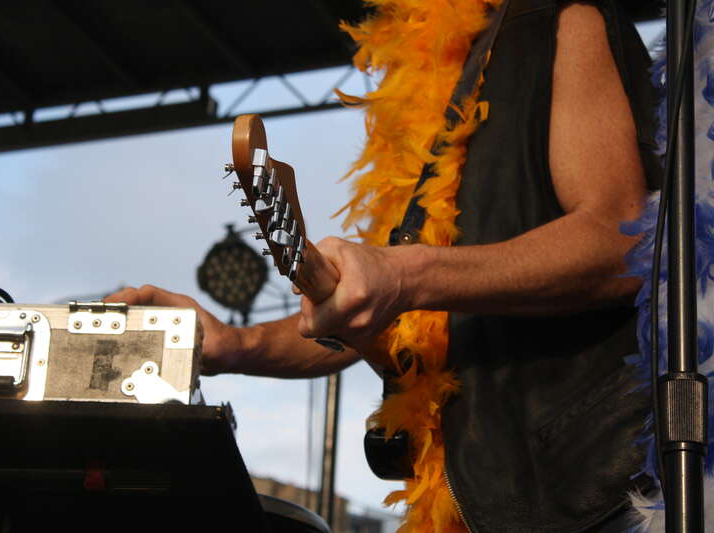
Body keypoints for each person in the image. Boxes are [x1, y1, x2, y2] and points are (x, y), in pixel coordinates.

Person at [106, 0, 662, 531]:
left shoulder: (559, 14)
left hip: (592, 493)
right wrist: (234, 344)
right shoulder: (432, 75)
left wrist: (407, 274)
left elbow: (622, 241)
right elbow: (374, 307)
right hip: (477, 494)